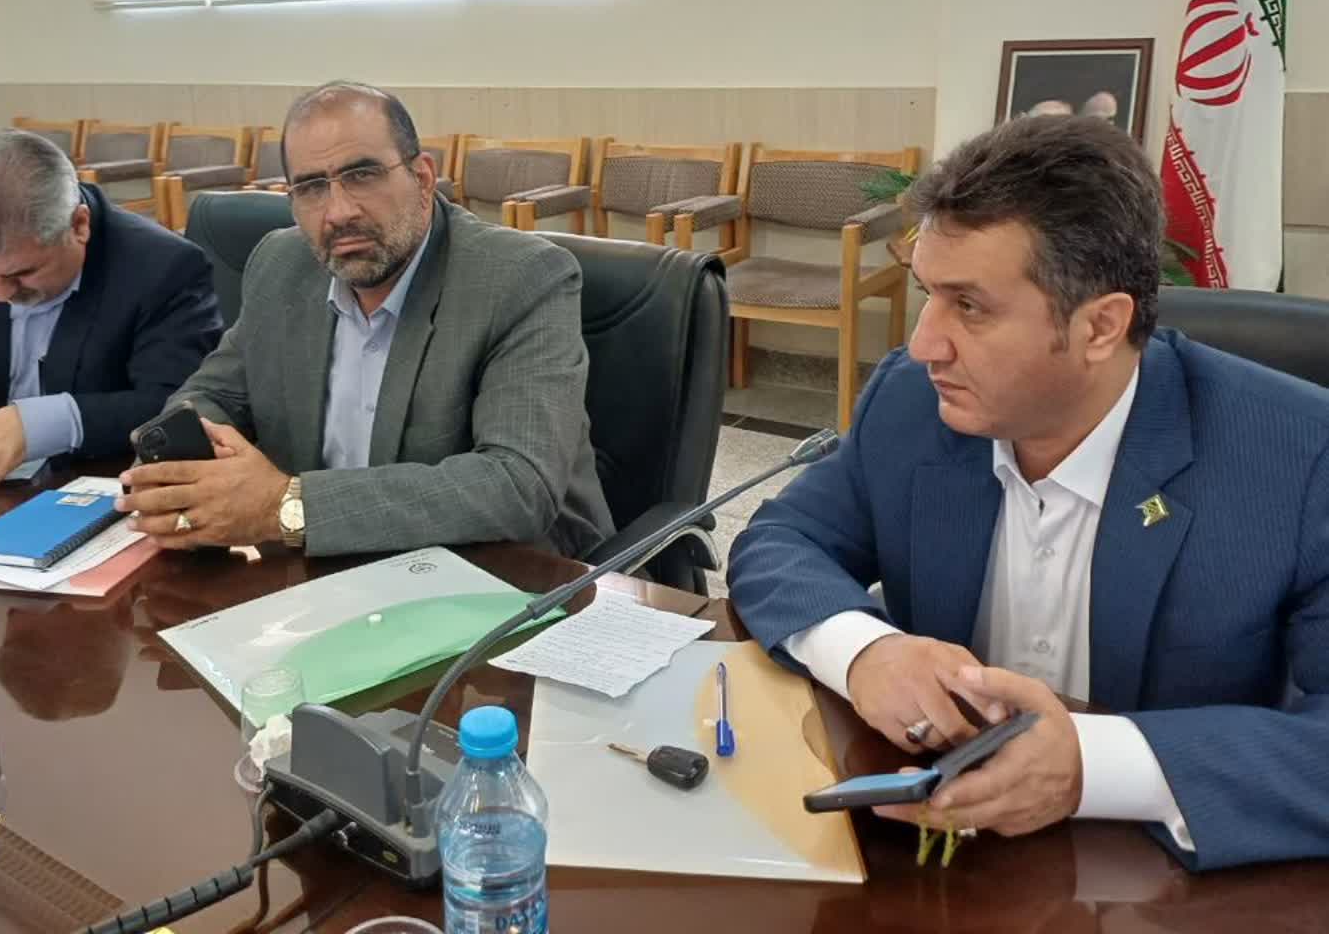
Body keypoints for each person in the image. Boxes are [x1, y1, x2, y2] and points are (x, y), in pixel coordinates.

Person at [727, 115, 1329, 872]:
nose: (923, 344)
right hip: (936, 856)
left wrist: (1091, 764)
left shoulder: (1299, 455)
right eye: (926, 294)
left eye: (969, 306)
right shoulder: (911, 402)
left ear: (1100, 327)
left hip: (1167, 876)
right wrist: (867, 651)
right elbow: (781, 540)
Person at [123, 81, 614, 558]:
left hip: (503, 572)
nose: (338, 212)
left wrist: (286, 507)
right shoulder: (280, 263)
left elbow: (518, 485)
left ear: (422, 178)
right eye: (311, 187)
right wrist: (184, 468)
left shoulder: (519, 277)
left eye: (362, 175)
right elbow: (213, 395)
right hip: (321, 569)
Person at [0, 129, 223, 484]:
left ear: (79, 225)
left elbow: (176, 403)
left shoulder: (162, 267)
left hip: (101, 480)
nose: (0, 294)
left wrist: (45, 423)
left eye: (22, 273)